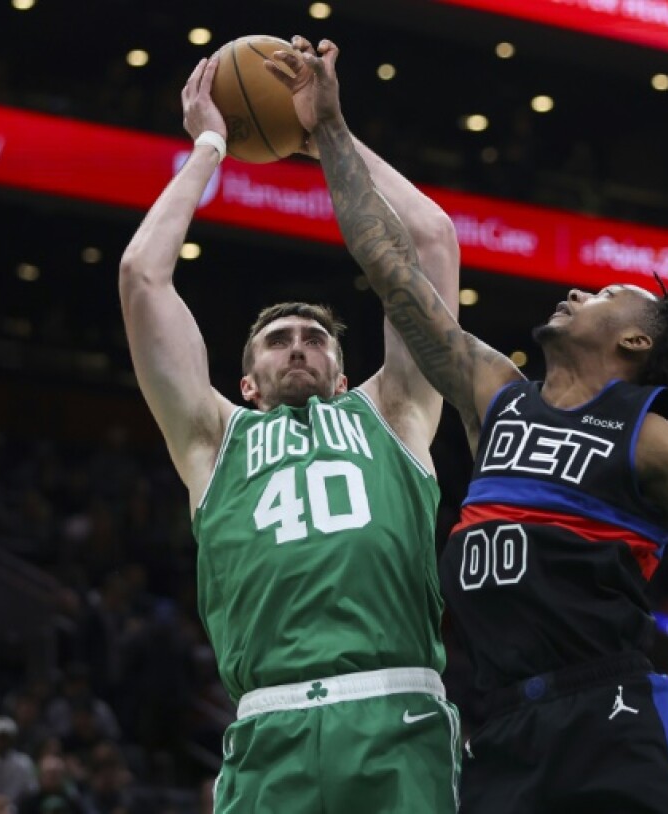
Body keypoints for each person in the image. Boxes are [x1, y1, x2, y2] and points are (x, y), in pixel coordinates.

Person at [267, 36, 668, 813]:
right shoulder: (495, 393)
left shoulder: (648, 437)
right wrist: (329, 134)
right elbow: (389, 268)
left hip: (611, 714)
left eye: (603, 293)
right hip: (499, 726)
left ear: (635, 340)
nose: (576, 290)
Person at [119, 52, 461, 813]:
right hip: (268, 728)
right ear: (246, 383)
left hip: (395, 714)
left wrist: (329, 137)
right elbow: (143, 278)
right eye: (278, 340)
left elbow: (432, 239)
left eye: (315, 337)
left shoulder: (394, 411)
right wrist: (209, 144)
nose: (298, 344)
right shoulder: (213, 440)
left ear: (343, 376)